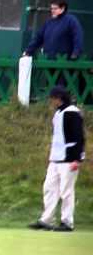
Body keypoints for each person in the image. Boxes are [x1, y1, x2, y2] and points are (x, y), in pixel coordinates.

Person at [29, 86, 85, 232]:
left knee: (66, 191)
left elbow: (79, 137)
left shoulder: (72, 113)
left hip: (69, 159)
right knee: (49, 188)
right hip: (56, 158)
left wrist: (77, 159)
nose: (51, 101)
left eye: (52, 98)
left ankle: (67, 222)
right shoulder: (58, 113)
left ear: (59, 98)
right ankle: (46, 220)